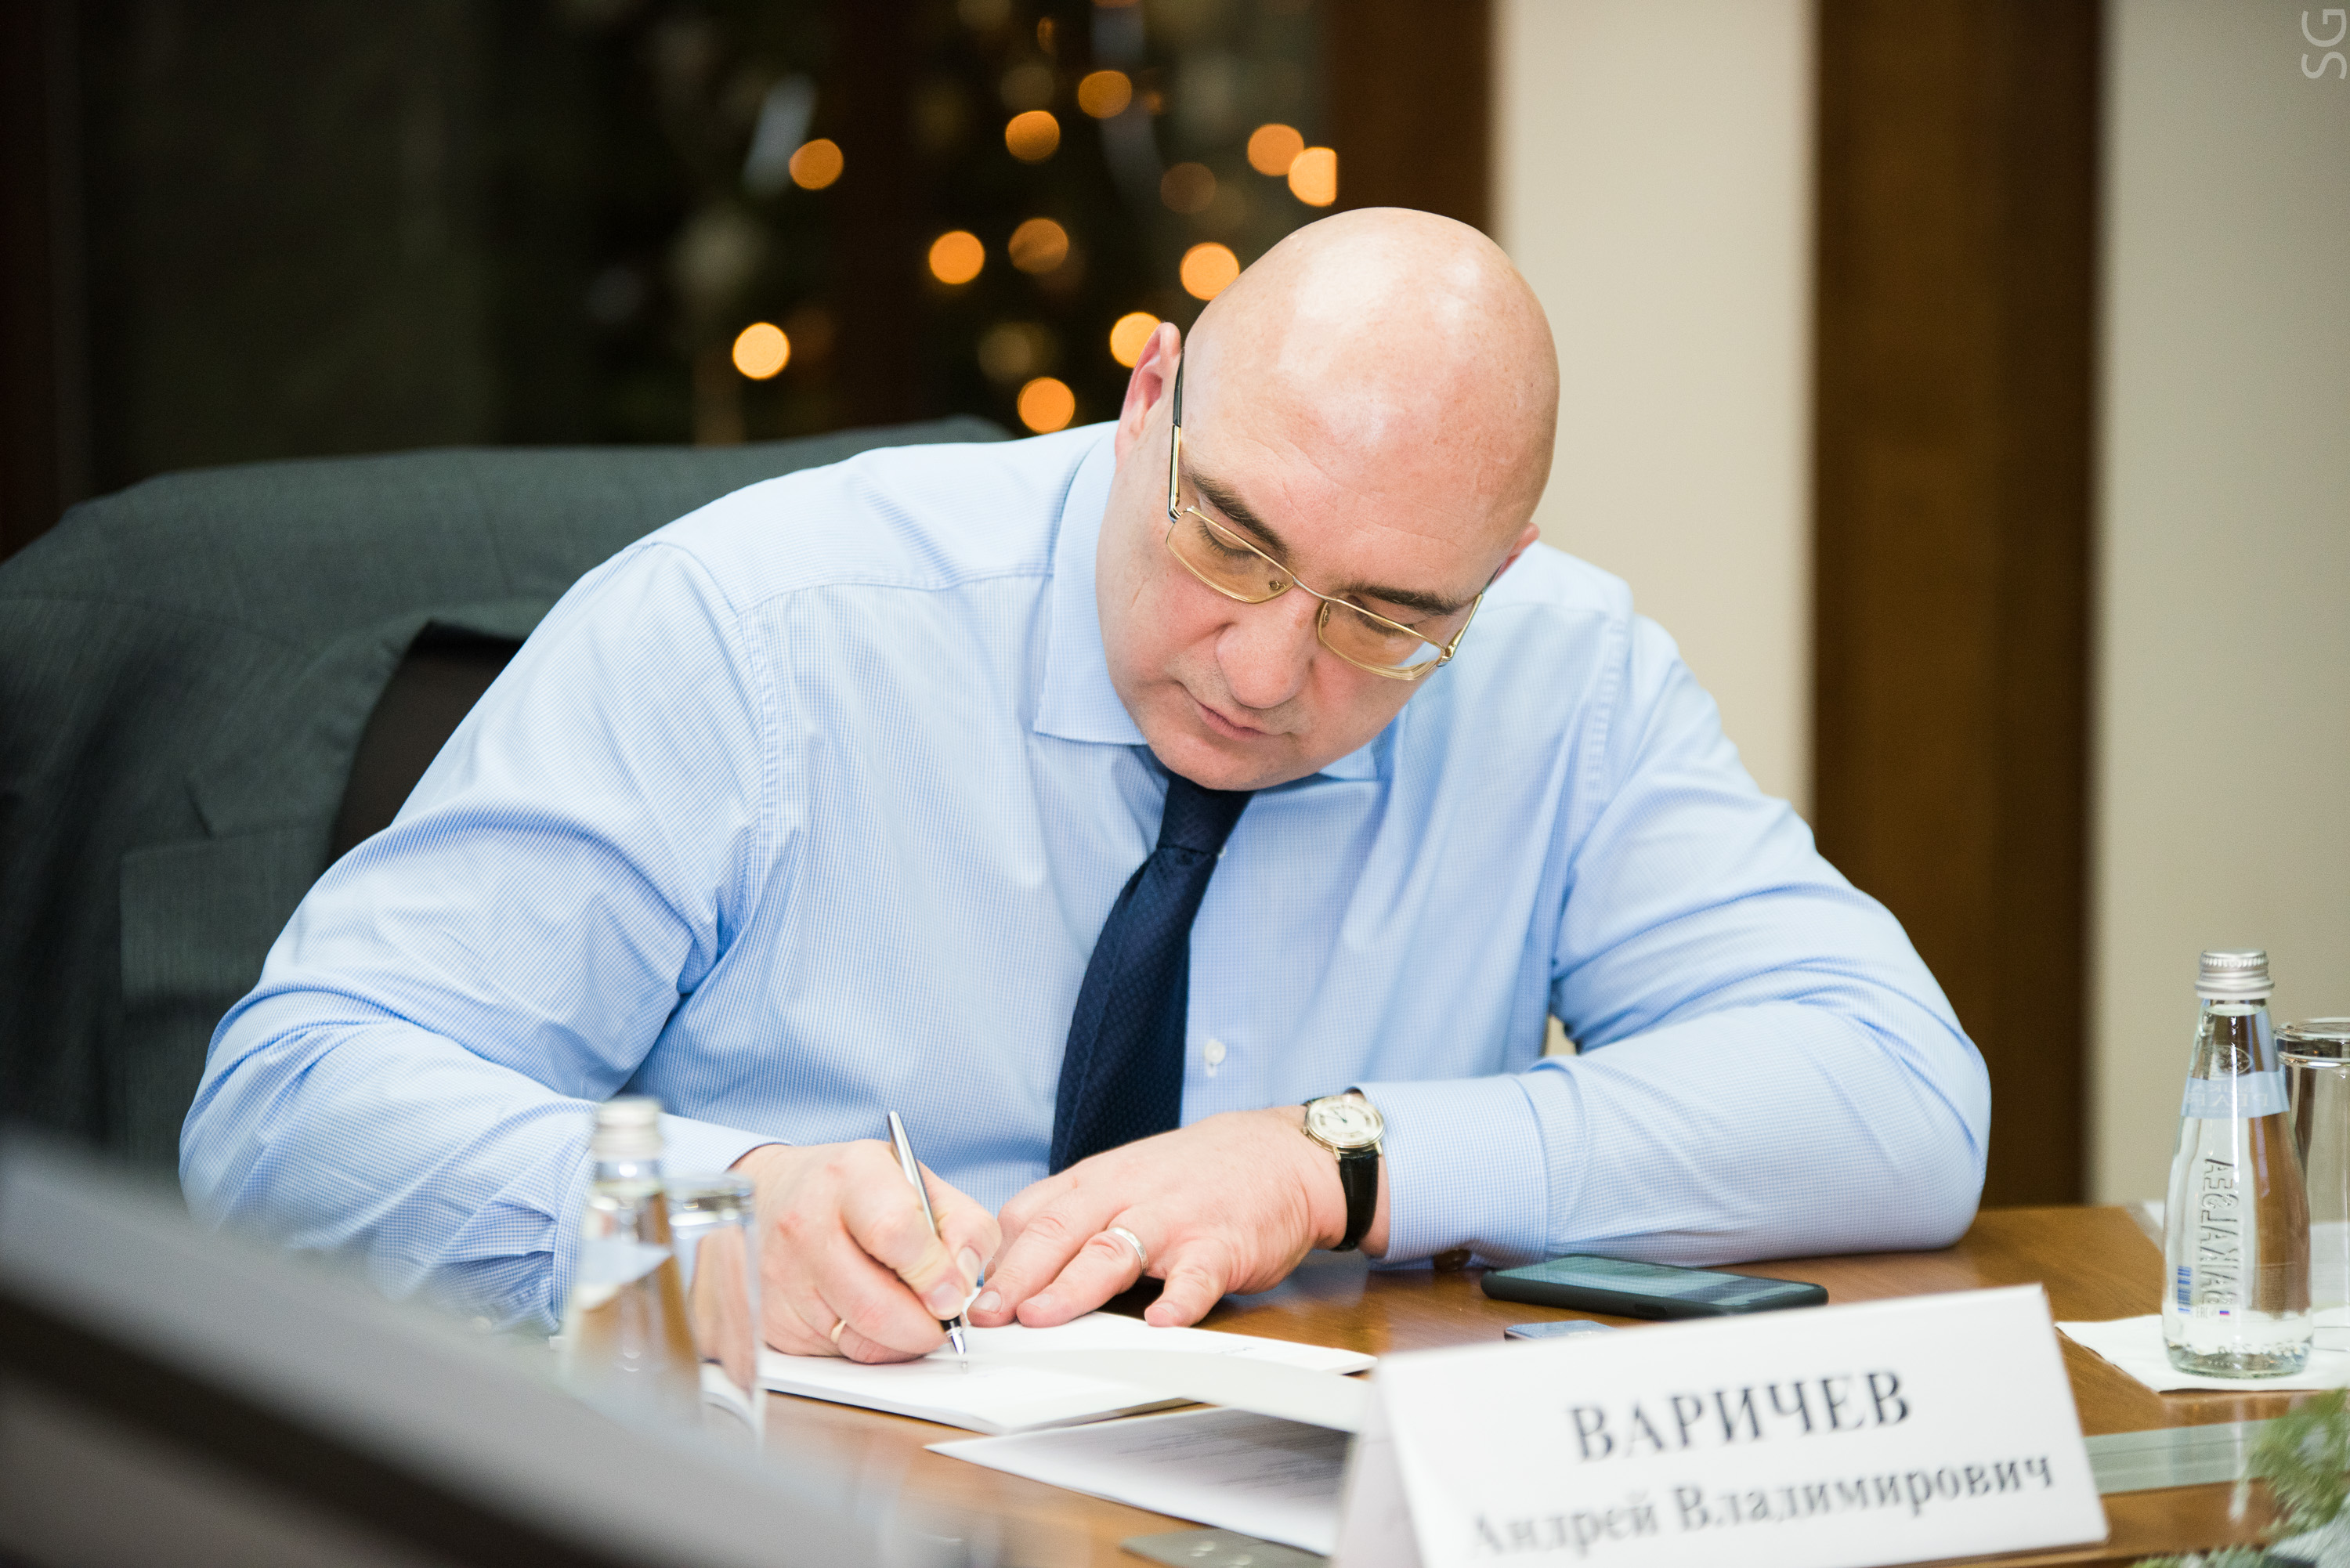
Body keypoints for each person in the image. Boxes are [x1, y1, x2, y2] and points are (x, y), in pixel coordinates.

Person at [183, 210, 1988, 1364]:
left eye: (1385, 617)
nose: (1265, 668)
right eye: (1230, 540)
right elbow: (283, 1109)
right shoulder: (756, 631)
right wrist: (708, 1221)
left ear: (1489, 585)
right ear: (1145, 399)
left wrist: (1337, 1158)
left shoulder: (1559, 675)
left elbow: (1897, 1092)